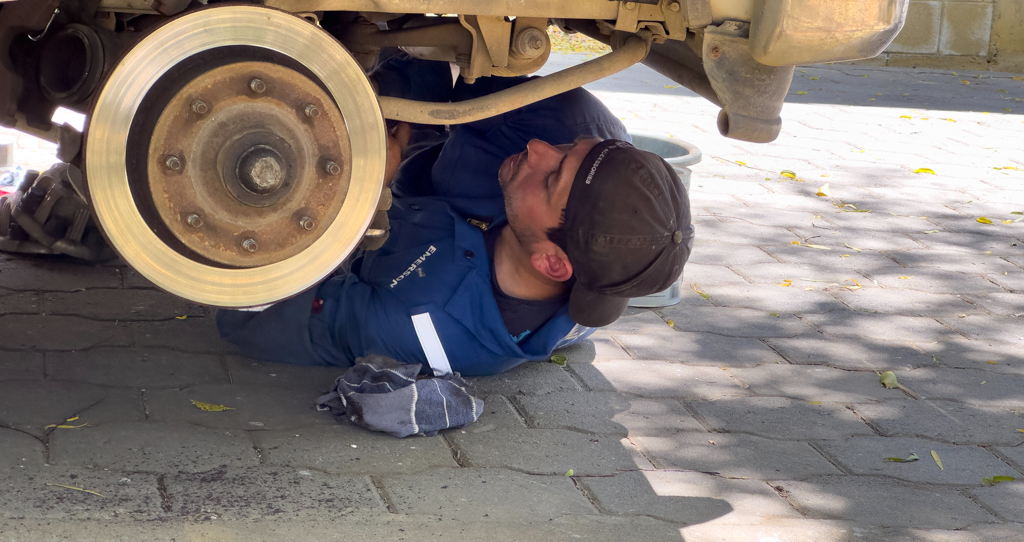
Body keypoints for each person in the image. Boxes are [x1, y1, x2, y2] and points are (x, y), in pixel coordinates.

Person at [216, 60, 693, 377]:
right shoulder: (570, 128)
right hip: (429, 142)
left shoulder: (424, 325)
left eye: (552, 179)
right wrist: (379, 100)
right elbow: (443, 61)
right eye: (568, 151)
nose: (539, 150)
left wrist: (349, 194)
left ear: (551, 263)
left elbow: (250, 318)